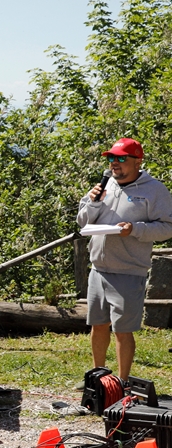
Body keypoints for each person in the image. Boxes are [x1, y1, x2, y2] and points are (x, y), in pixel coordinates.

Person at [77, 137, 172, 382]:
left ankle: (122, 383)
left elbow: (167, 227)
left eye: (121, 158)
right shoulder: (105, 185)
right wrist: (93, 203)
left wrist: (135, 229)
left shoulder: (154, 190)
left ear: (138, 162)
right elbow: (82, 221)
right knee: (98, 325)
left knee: (122, 330)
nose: (114, 163)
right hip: (98, 269)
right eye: (111, 158)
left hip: (129, 271)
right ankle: (97, 378)